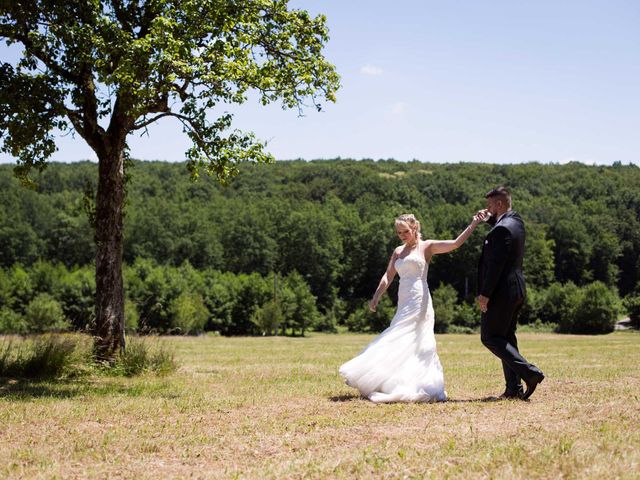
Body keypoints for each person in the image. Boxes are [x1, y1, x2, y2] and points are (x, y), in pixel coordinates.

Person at [339, 211, 486, 403]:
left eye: (405, 231)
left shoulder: (427, 247)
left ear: (414, 227)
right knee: (398, 334)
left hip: (420, 299)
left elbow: (455, 243)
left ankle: (419, 382)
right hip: (404, 298)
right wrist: (376, 296)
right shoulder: (398, 251)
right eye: (399, 233)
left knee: (415, 338)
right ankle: (392, 380)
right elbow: (388, 276)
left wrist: (473, 223)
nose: (402, 236)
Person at [477, 187, 545, 400]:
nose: (487, 209)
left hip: (501, 292)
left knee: (490, 337)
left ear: (499, 204)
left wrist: (485, 294)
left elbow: (496, 264)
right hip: (516, 290)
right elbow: (504, 234)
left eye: (490, 206)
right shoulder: (516, 222)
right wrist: (488, 220)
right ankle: (513, 389)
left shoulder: (501, 230)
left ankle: (529, 373)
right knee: (505, 337)